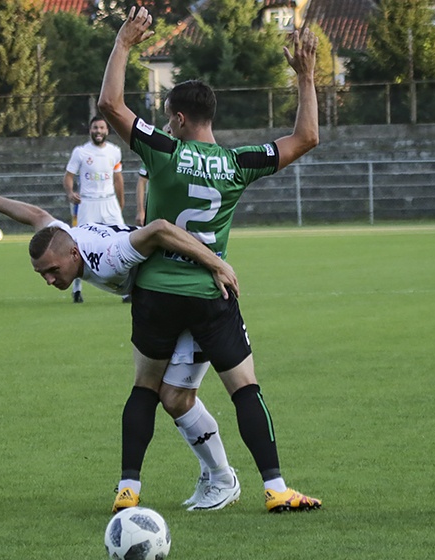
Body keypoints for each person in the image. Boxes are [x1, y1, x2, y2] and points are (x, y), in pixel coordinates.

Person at [98, 6, 322, 513]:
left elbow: (109, 103)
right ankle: (276, 488)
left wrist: (125, 43)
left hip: (156, 290)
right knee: (244, 387)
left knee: (146, 388)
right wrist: (306, 76)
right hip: (211, 292)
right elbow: (307, 137)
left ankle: (128, 489)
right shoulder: (237, 163)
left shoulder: (164, 150)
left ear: (177, 118)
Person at [0, 179, 242, 512]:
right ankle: (215, 476)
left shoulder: (108, 259)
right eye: (42, 274)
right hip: (165, 304)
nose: (49, 280)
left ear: (73, 254)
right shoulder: (64, 238)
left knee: (176, 397)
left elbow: (158, 230)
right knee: (173, 398)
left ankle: (223, 479)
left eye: (52, 270)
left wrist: (216, 263)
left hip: (193, 295)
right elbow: (37, 215)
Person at [64, 115, 127, 303]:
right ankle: (76, 290)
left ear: (107, 131)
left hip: (109, 203)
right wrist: (69, 192)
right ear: (90, 130)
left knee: (122, 242)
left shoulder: (114, 151)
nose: (98, 131)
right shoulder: (81, 152)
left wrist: (120, 202)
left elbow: (118, 179)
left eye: (101, 128)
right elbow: (68, 176)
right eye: (95, 128)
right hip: (88, 203)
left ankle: (126, 291)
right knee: (78, 244)